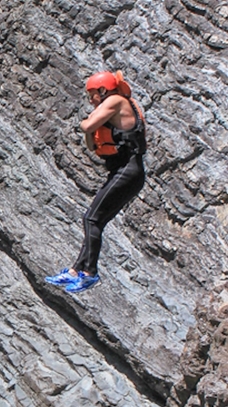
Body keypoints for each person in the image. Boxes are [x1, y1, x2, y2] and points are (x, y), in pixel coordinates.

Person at [46, 70, 147, 293]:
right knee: (95, 221)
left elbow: (86, 127)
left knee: (91, 218)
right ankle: (74, 271)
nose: (91, 100)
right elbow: (92, 145)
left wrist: (87, 122)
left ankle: (90, 273)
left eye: (92, 94)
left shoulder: (116, 100)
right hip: (123, 172)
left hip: (128, 170)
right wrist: (90, 124)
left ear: (103, 90)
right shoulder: (107, 110)